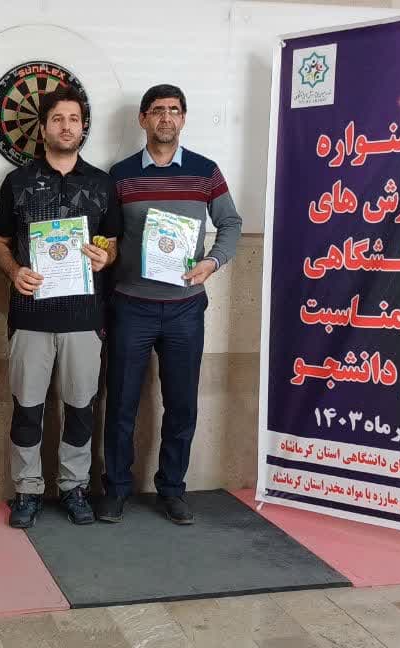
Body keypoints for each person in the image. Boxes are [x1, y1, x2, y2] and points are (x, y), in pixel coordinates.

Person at [100, 84, 242, 525]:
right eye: (158, 110)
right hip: (130, 306)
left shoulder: (205, 172)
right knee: (120, 404)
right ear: (142, 119)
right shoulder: (120, 175)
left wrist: (212, 262)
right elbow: (107, 235)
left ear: (183, 118)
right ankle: (115, 490)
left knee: (181, 405)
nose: (166, 118)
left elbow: (231, 223)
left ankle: (172, 490)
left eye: (174, 110)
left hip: (185, 307)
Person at [0, 85, 121, 529]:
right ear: (43, 127)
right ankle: (27, 490)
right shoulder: (17, 182)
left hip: (85, 317)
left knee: (81, 408)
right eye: (58, 119)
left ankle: (74, 486)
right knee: (27, 409)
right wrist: (13, 271)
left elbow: (112, 244)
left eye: (74, 119)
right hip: (30, 316)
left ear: (83, 128)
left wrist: (105, 257)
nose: (66, 127)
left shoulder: (102, 183)